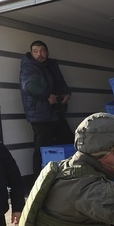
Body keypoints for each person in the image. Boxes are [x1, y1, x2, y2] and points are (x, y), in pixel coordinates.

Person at [20, 40, 74, 178]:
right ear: (31, 53)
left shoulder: (51, 65)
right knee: (41, 148)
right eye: (36, 51)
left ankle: (68, 176)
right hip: (40, 115)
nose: (39, 54)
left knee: (69, 141)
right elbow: (29, 87)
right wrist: (47, 96)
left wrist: (67, 94)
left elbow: (61, 83)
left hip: (55, 112)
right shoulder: (30, 67)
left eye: (42, 51)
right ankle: (38, 181)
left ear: (47, 52)